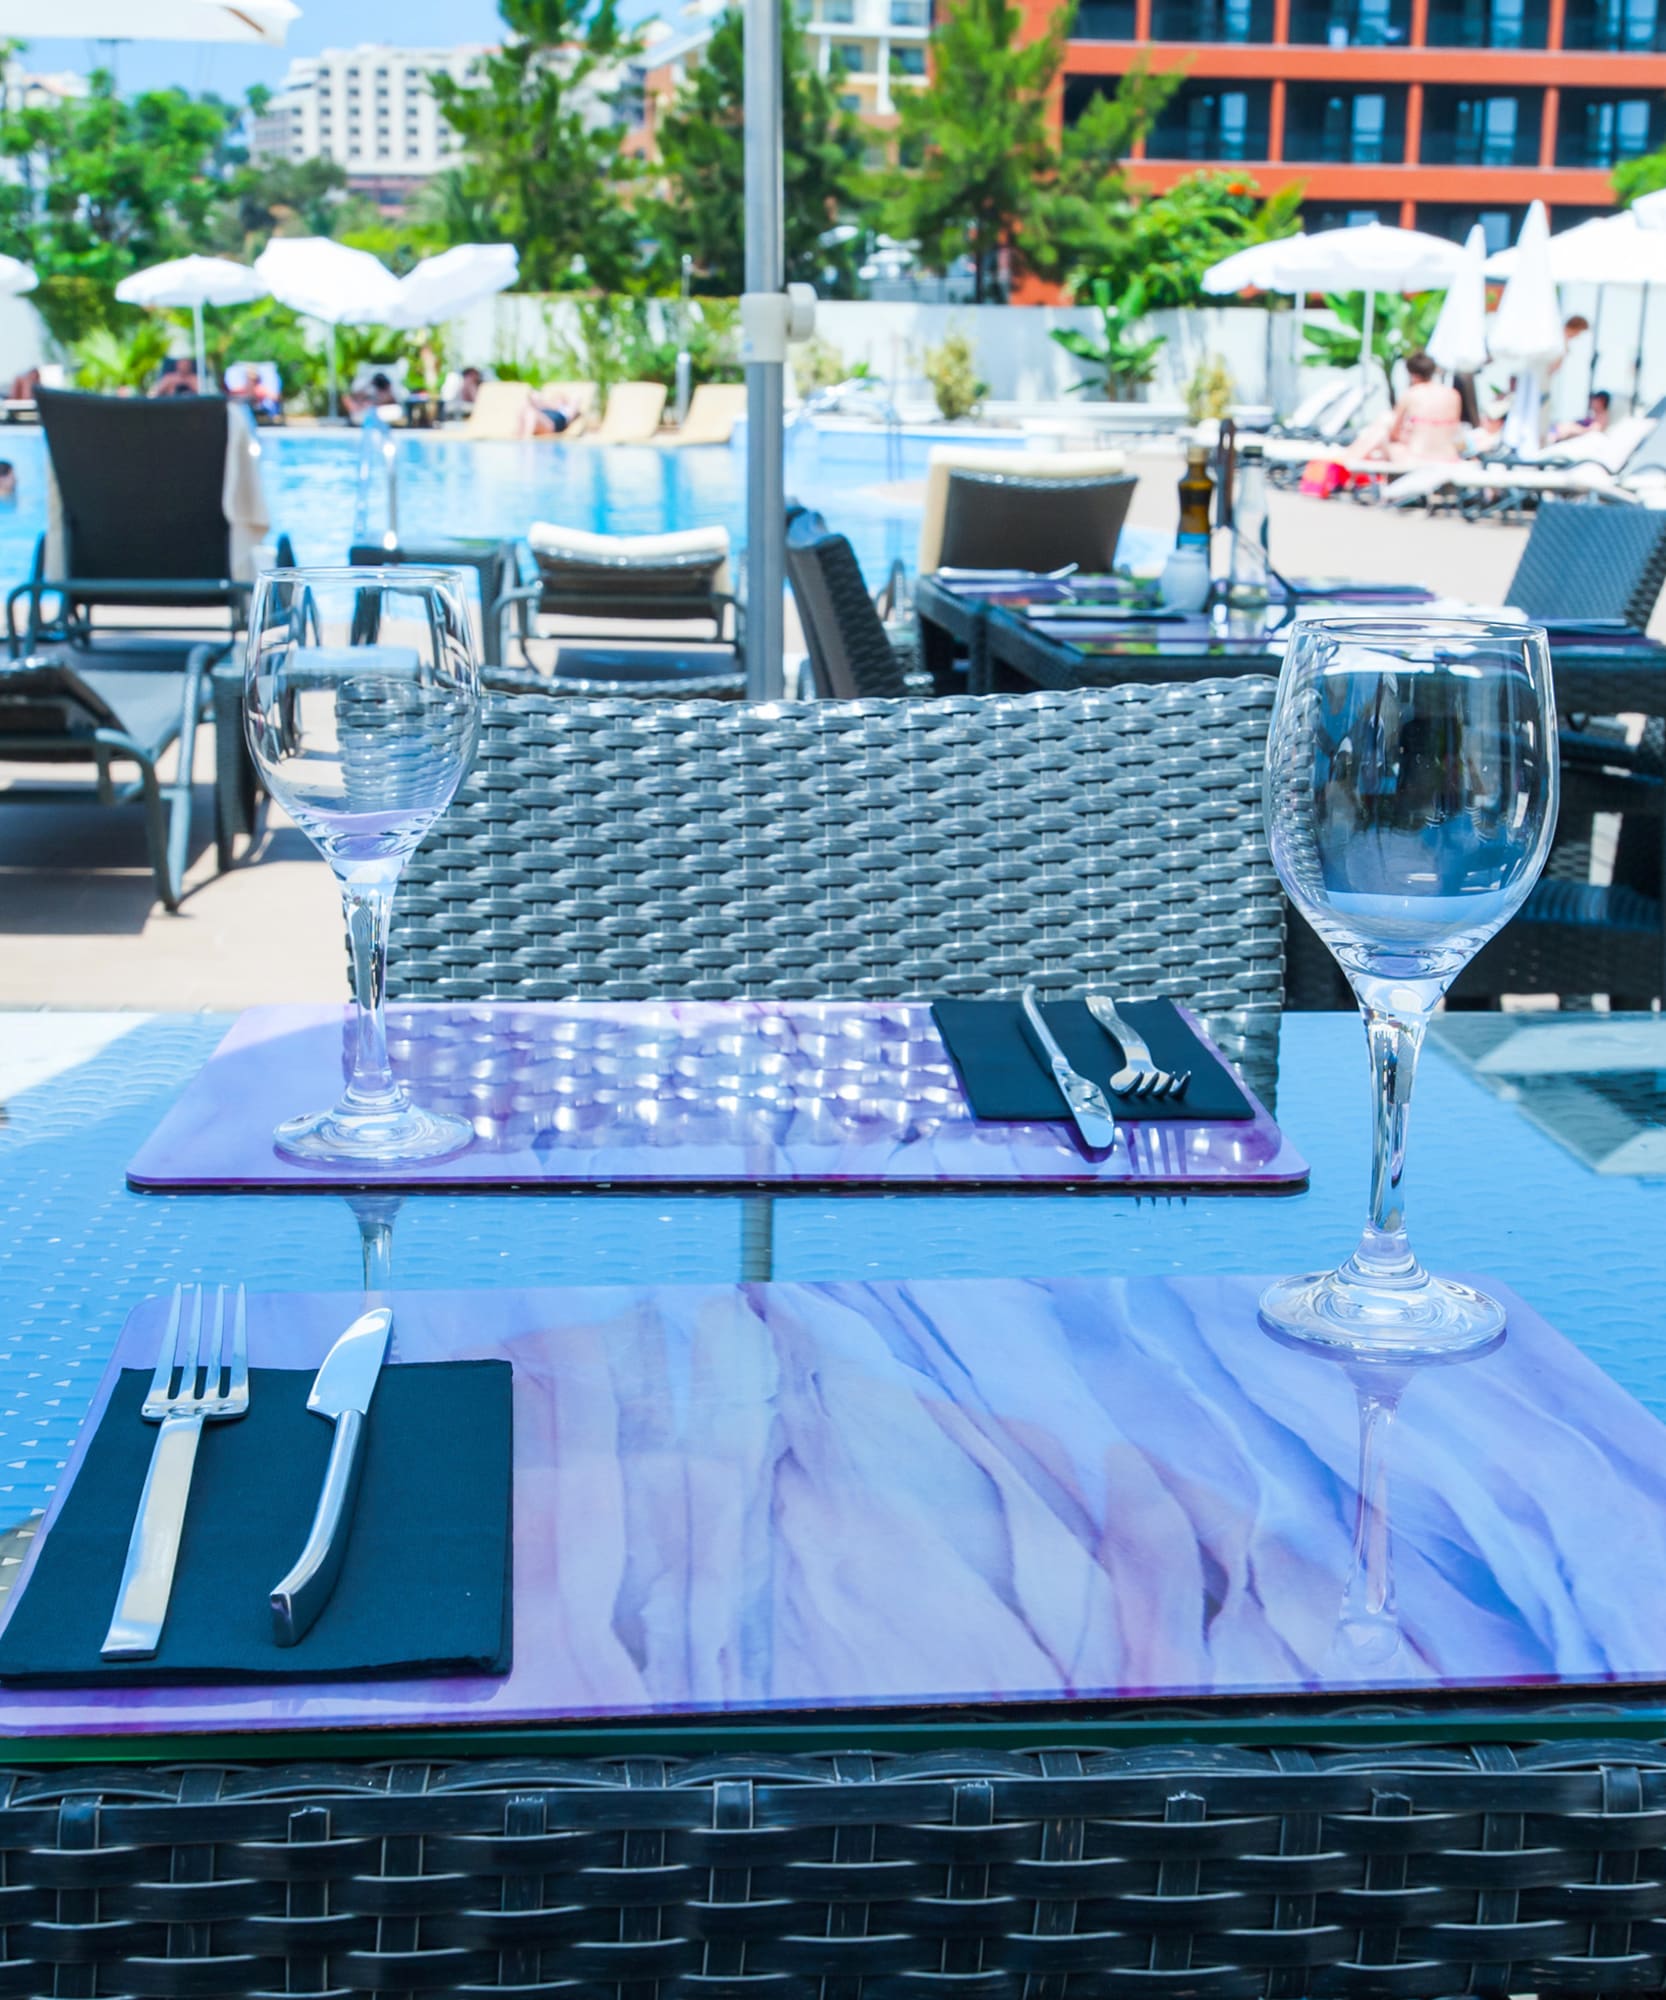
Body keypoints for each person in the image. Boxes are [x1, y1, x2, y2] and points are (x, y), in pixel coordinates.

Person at [1354, 351, 1465, 464]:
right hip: (1449, 458)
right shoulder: (1453, 395)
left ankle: (1347, 460)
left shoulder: (1410, 394)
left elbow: (1394, 434)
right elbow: (1454, 431)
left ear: (1413, 375)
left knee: (1384, 422)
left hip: (1418, 457)